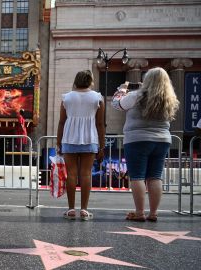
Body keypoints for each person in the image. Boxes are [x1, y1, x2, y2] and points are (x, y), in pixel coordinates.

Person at [112, 67, 179, 222]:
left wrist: (122, 90)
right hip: (162, 140)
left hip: (137, 140)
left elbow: (117, 104)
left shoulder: (136, 96)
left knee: (137, 176)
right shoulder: (170, 99)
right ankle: (153, 213)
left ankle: (140, 212)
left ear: (147, 81)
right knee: (155, 176)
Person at [56, 70, 105, 221]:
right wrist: (101, 146)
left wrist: (58, 142)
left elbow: (62, 122)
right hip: (90, 138)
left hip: (69, 138)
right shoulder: (97, 98)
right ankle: (84, 209)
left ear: (76, 81)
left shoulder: (67, 98)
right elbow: (99, 124)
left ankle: (71, 209)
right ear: (90, 81)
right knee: (85, 174)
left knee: (71, 174)